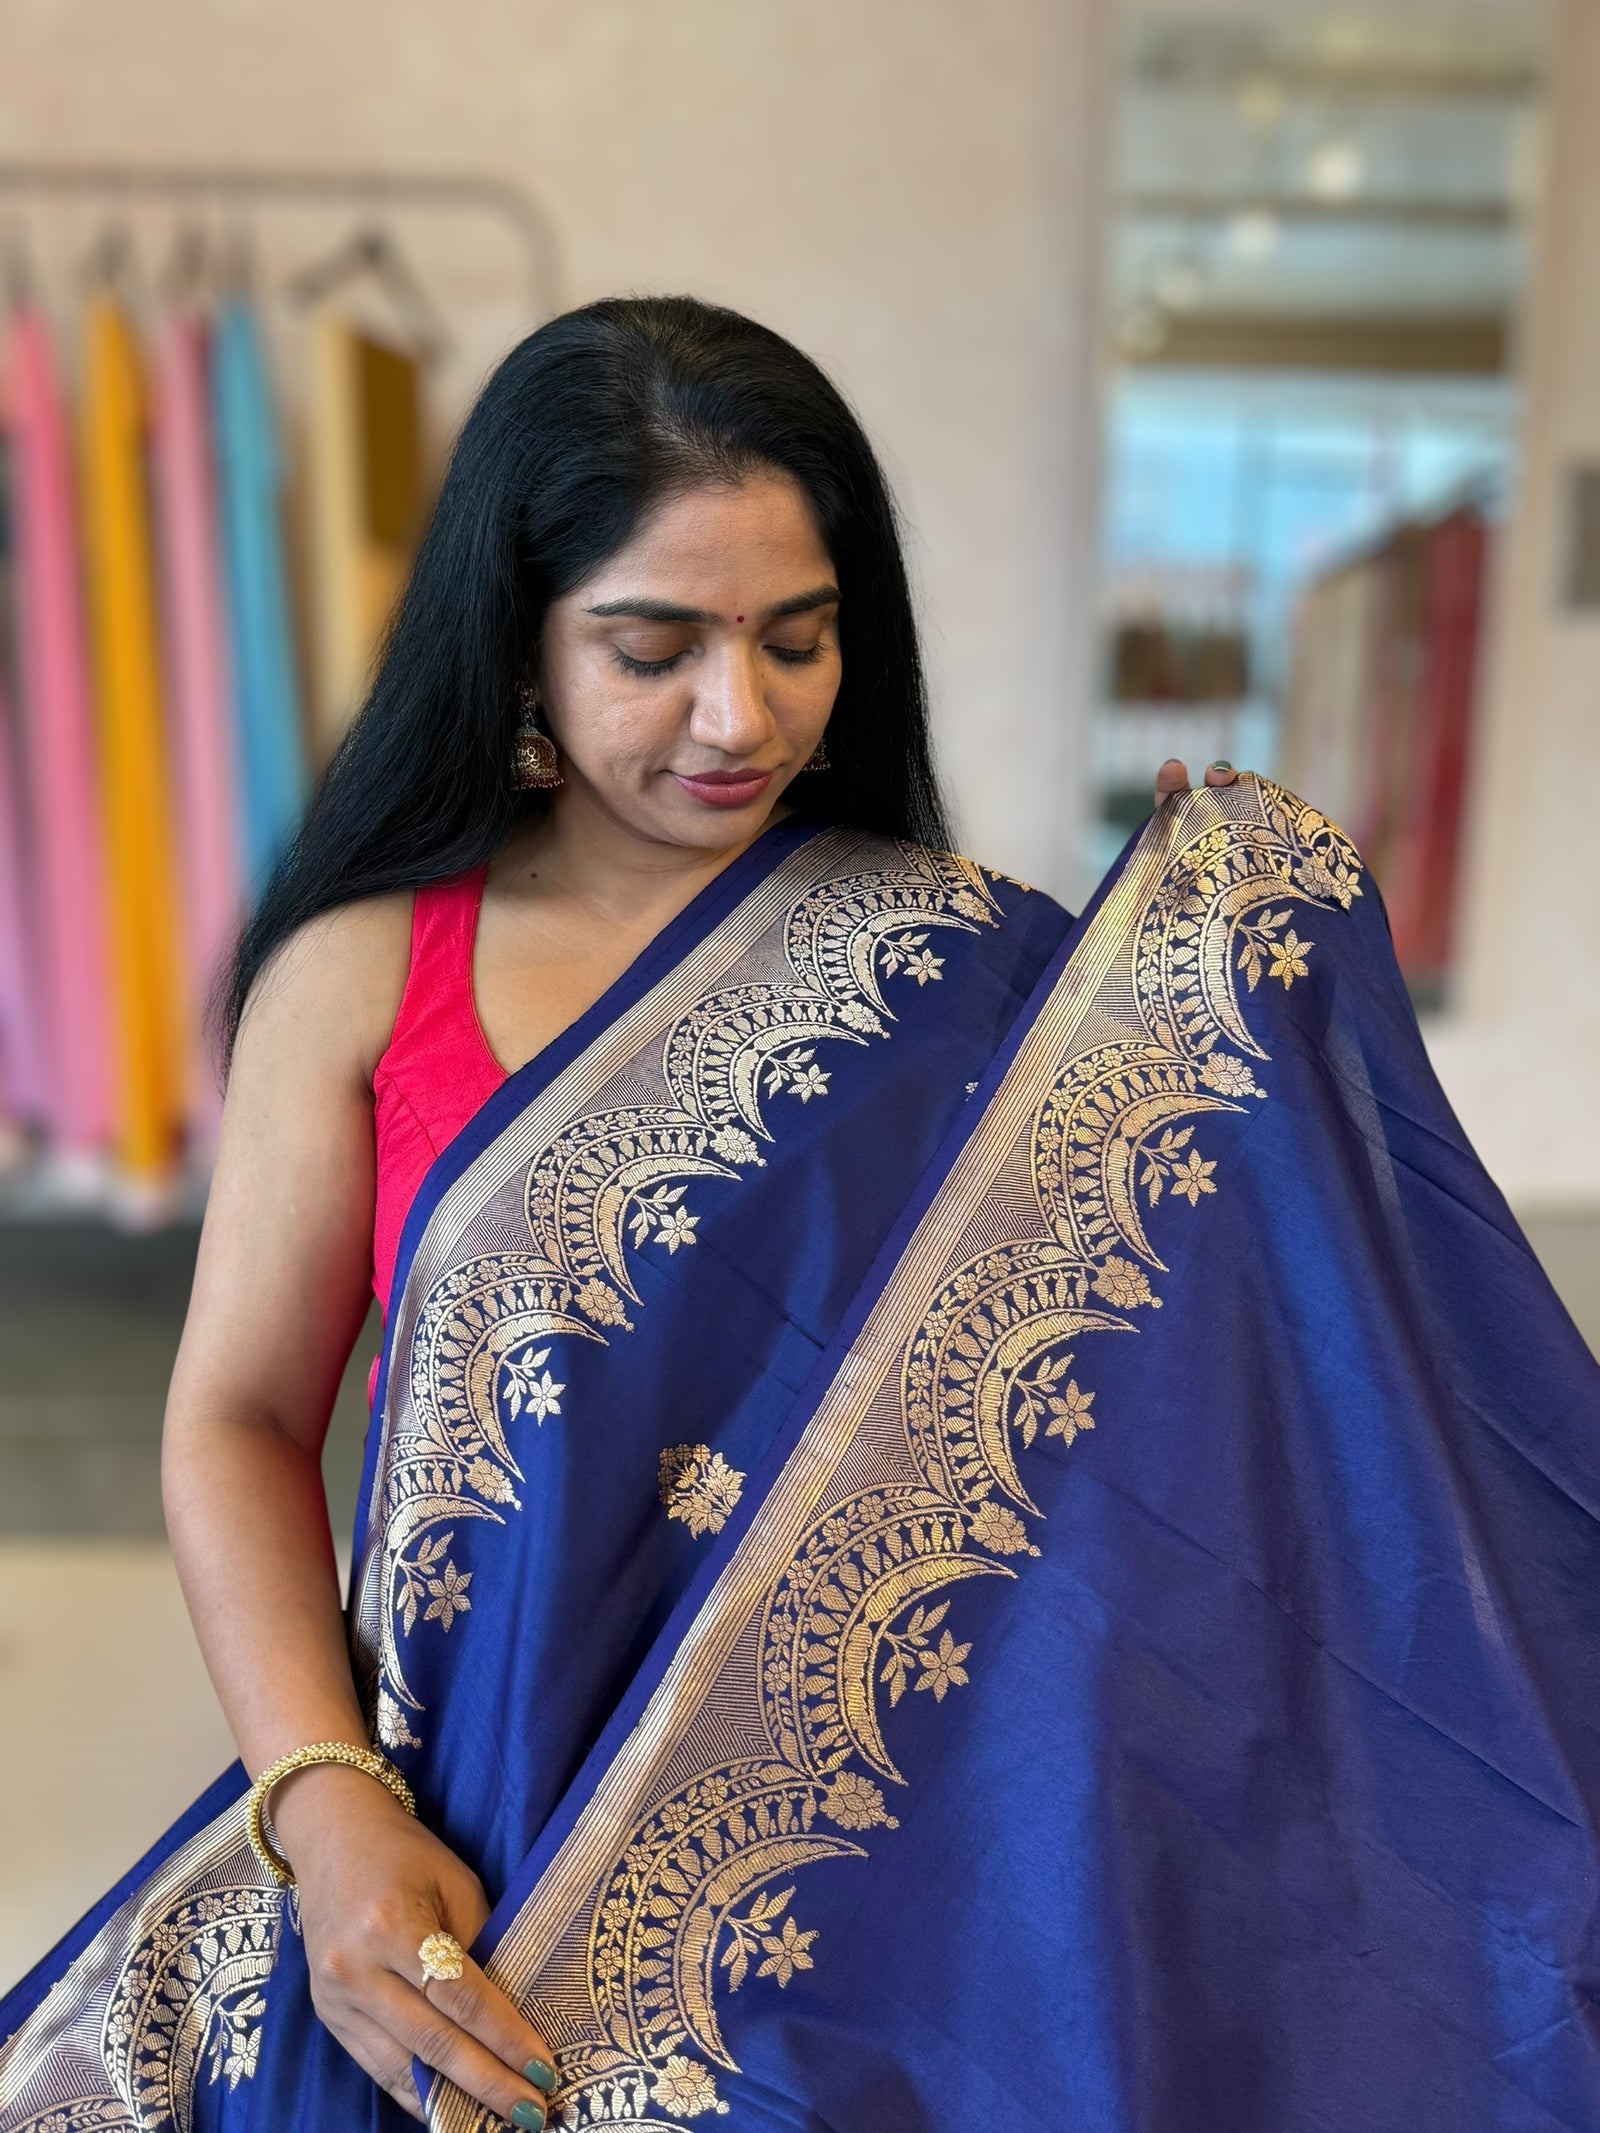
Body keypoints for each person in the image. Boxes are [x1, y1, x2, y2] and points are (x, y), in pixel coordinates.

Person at [6, 298, 1597, 2133]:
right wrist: (324, 1801)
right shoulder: (372, 971)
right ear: (516, 641)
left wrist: (1209, 993)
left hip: (886, 1901)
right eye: (651, 646)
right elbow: (237, 1420)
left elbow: (1215, 1386)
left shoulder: (975, 967)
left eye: (797, 637)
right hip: (451, 1849)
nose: (737, 714)